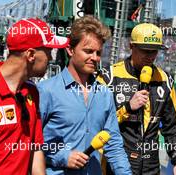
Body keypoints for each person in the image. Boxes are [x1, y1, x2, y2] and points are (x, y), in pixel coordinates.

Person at [0, 18, 69, 175]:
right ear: (30, 54)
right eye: (48, 51)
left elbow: (35, 147)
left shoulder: (32, 92)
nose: (51, 58)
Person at [37, 15, 132, 175]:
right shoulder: (46, 91)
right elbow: (29, 143)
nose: (94, 58)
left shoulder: (105, 94)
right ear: (70, 50)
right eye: (88, 51)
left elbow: (114, 144)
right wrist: (62, 156)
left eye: (98, 52)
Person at [98, 23, 176, 175]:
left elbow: (172, 127)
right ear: (131, 46)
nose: (150, 56)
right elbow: (97, 122)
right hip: (117, 163)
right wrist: (127, 108)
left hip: (150, 166)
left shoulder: (165, 79)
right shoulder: (109, 77)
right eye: (145, 50)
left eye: (155, 51)